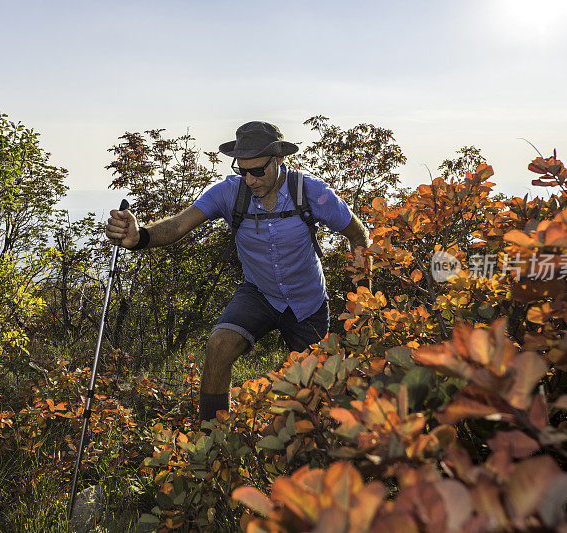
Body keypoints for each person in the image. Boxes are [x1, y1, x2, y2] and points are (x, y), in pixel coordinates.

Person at [105, 121, 369, 427]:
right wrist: (141, 237)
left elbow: (358, 234)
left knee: (313, 387)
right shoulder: (230, 193)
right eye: (242, 170)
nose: (249, 179)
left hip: (307, 300)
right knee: (219, 345)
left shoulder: (312, 193)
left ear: (279, 160)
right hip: (258, 293)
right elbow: (178, 225)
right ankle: (210, 437)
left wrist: (364, 301)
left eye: (257, 170)